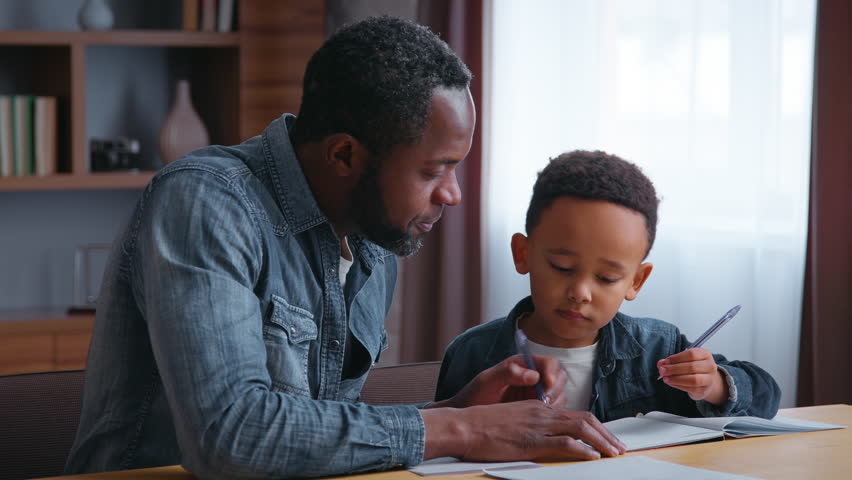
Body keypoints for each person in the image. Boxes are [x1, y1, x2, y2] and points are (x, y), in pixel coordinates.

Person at [65, 17, 626, 479]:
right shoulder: (206, 203)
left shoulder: (374, 234)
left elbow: (315, 432)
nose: (452, 195)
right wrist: (459, 431)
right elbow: (228, 437)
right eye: (435, 170)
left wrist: (454, 412)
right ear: (344, 156)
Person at [435, 150, 781, 422]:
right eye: (562, 267)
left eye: (607, 278)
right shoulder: (474, 352)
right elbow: (442, 444)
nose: (581, 292)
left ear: (636, 281)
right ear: (522, 254)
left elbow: (767, 396)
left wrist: (715, 385)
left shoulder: (658, 348)